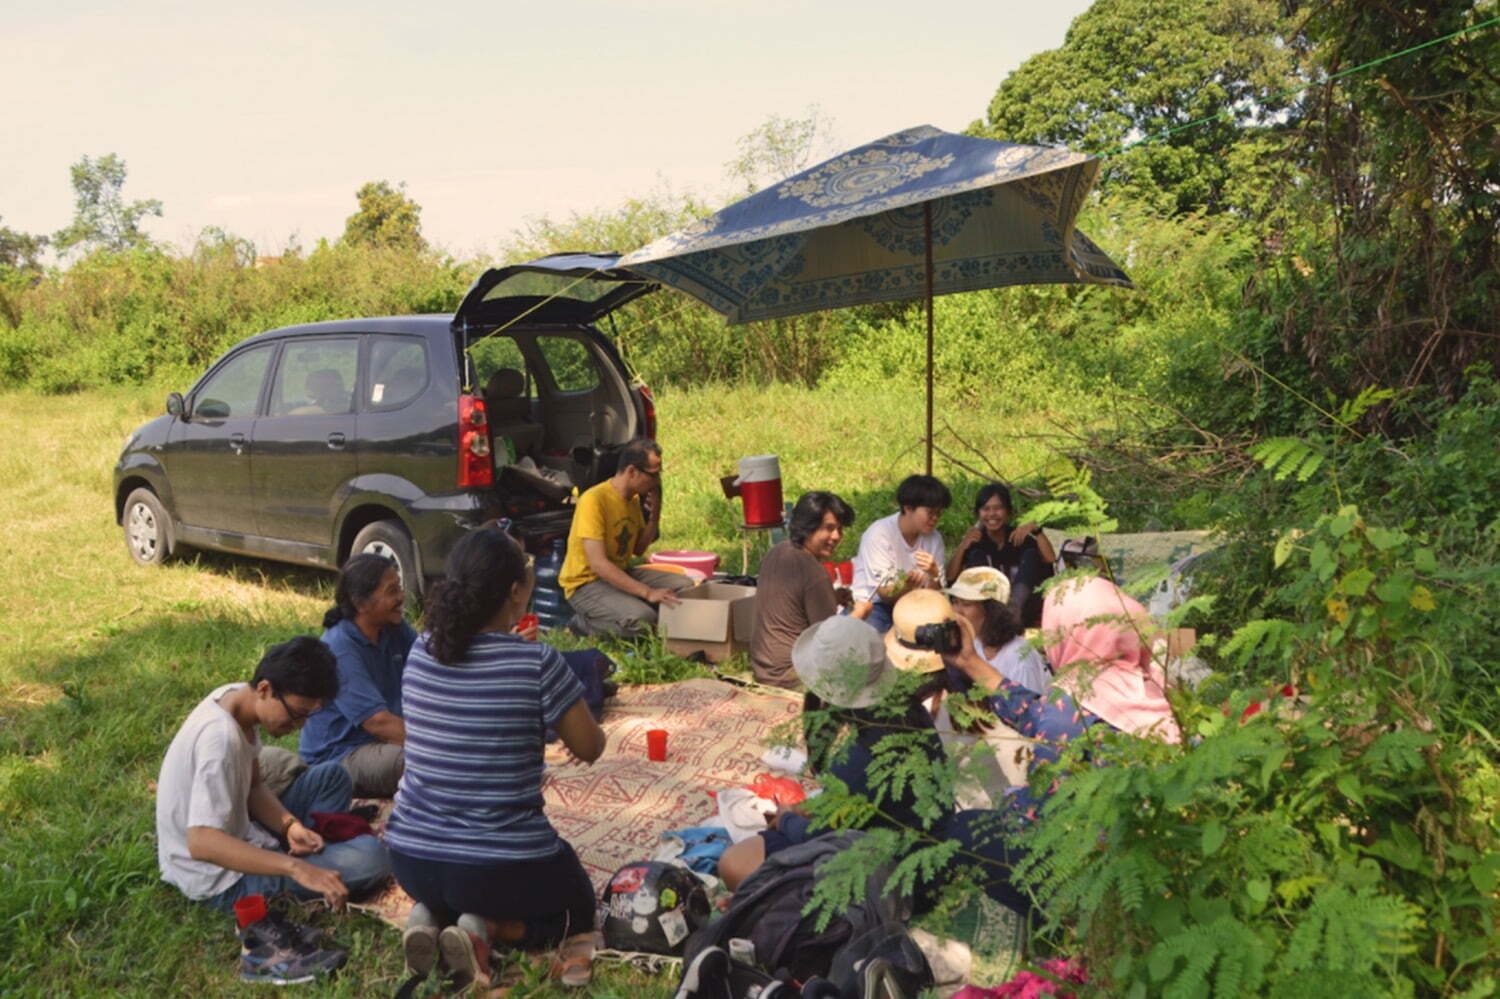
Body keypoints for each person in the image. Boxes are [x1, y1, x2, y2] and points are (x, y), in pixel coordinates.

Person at [386, 526, 607, 991]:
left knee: (457, 878)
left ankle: (431, 914)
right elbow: (591, 748)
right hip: (494, 869)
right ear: (514, 592)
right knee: (577, 910)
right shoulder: (537, 662)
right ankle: (489, 928)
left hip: (410, 858)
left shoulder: (421, 651)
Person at [155, 636, 392, 914]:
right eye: (296, 714)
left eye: (307, 717)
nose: (300, 725)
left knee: (332, 776)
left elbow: (254, 787)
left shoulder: (235, 697)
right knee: (372, 859)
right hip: (221, 877)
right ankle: (313, 864)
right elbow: (202, 842)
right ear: (266, 689)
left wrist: (289, 826)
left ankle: (309, 850)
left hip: (243, 831)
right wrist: (296, 869)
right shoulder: (220, 741)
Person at [719, 612, 952, 892]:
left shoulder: (861, 757)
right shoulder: (910, 711)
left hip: (894, 877)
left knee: (733, 864)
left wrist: (786, 819)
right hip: (932, 857)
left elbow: (821, 836)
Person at [299, 553, 416, 797]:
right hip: (340, 755)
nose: (402, 597)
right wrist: (442, 746)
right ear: (360, 603)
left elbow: (433, 663)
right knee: (418, 763)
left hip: (383, 742)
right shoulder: (340, 648)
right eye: (392, 591)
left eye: (400, 588)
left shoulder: (394, 628)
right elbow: (377, 723)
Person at [559, 437, 693, 637]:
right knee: (643, 620)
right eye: (653, 475)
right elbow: (599, 565)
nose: (657, 482)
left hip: (620, 573)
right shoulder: (594, 500)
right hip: (586, 584)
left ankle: (633, 610)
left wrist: (655, 515)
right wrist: (647, 593)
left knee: (686, 587)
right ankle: (583, 625)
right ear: (632, 472)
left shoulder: (633, 500)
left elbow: (638, 549)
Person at [749, 490, 856, 689]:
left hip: (762, 667)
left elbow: (790, 602)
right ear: (808, 527)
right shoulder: (815, 573)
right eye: (829, 528)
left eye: (840, 529)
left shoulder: (777, 551)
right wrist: (859, 615)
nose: (836, 536)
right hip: (791, 676)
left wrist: (830, 597)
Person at [849, 474, 951, 633]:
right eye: (930, 513)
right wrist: (906, 586)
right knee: (876, 642)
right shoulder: (879, 534)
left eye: (939, 513)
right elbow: (885, 595)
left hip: (917, 603)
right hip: (875, 605)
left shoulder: (934, 538)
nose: (935, 519)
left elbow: (936, 594)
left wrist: (933, 574)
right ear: (908, 507)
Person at [945, 483, 1055, 628]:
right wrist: (962, 546)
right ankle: (991, 618)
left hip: (1020, 611)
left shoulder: (1018, 536)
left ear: (1008, 511)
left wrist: (1037, 531)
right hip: (986, 610)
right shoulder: (976, 540)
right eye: (986, 509)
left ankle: (1012, 617)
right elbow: (950, 576)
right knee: (975, 556)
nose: (992, 514)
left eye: (998, 508)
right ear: (979, 513)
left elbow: (1050, 559)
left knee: (1031, 555)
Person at [943, 567, 1048, 695]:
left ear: (992, 611)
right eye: (955, 602)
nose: (957, 611)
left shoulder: (1019, 659)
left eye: (966, 604)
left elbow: (1031, 710)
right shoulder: (974, 643)